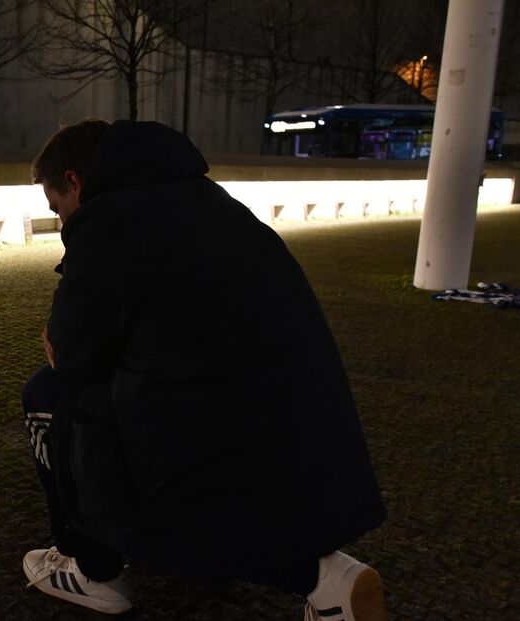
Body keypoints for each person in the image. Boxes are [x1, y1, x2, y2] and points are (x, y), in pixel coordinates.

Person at [20, 119, 388, 620]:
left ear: (76, 182)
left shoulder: (106, 223)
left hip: (205, 425)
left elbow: (72, 354)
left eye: (57, 208)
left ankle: (95, 569)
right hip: (303, 425)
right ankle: (325, 579)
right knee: (207, 495)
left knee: (47, 393)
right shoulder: (212, 201)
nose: (63, 223)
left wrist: (65, 346)